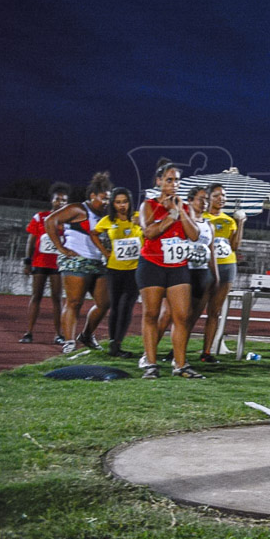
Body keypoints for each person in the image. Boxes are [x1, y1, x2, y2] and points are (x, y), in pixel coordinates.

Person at [137, 160, 201, 379]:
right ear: (159, 181)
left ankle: (180, 365)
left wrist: (180, 211)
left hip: (177, 266)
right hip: (152, 264)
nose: (174, 184)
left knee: (182, 316)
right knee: (151, 314)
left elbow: (194, 235)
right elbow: (150, 232)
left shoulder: (185, 206)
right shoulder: (148, 205)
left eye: (177, 181)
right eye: (169, 180)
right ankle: (151, 364)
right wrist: (170, 216)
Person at [44, 172, 113, 353]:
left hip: (98, 263)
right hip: (77, 261)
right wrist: (60, 247)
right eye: (103, 198)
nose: (106, 202)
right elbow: (50, 221)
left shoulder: (105, 216)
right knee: (74, 302)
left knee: (105, 302)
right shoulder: (79, 209)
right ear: (92, 196)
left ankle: (86, 335)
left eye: (109, 199)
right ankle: (69, 342)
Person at [157, 186, 219, 363]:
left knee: (191, 317)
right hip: (182, 271)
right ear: (190, 200)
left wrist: (215, 276)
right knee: (167, 314)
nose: (205, 202)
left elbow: (211, 251)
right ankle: (150, 351)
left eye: (207, 199)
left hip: (201, 273)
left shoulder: (209, 225)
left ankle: (177, 354)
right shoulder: (180, 220)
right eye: (201, 198)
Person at [94, 187, 143, 357]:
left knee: (126, 306)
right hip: (114, 269)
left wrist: (142, 225)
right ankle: (113, 343)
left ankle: (118, 343)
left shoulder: (138, 217)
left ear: (130, 202)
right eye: (118, 202)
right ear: (113, 204)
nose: (122, 206)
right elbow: (94, 234)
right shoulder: (108, 220)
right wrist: (105, 252)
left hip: (135, 270)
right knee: (115, 307)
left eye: (125, 202)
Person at [20, 182, 70, 344]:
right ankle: (28, 333)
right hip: (40, 262)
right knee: (36, 296)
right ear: (52, 200)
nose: (60, 202)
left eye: (63, 200)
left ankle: (59, 334)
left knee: (57, 298)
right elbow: (31, 240)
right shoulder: (40, 217)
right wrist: (27, 261)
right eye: (57, 199)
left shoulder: (68, 222)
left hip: (57, 265)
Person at [201, 184, 246, 360]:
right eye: (217, 195)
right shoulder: (202, 217)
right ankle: (178, 349)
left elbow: (235, 246)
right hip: (205, 267)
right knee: (193, 311)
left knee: (215, 311)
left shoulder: (230, 221)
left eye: (224, 195)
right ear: (209, 198)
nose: (221, 198)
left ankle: (206, 352)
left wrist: (241, 223)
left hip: (227, 266)